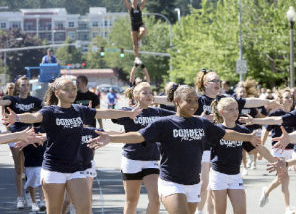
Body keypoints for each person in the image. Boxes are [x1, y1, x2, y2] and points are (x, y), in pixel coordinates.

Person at [88, 85, 261, 214]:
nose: (193, 105)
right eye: (189, 101)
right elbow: (138, 136)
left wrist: (248, 138)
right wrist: (111, 138)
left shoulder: (202, 123)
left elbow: (226, 134)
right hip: (171, 183)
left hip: (193, 183)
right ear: (177, 101)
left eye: (195, 101)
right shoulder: (164, 123)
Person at [2, 77, 141, 214]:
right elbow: (34, 117)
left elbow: (104, 113)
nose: (72, 92)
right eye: (66, 89)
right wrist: (18, 117)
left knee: (85, 209)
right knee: (55, 211)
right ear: (57, 93)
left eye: (73, 89)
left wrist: (129, 113)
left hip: (76, 168)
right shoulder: (50, 111)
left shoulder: (79, 110)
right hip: (54, 169)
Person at [239, 87, 296, 214]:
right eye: (286, 97)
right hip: (281, 148)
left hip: (294, 149)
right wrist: (253, 121)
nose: (289, 100)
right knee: (287, 179)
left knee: (288, 181)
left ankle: (267, 190)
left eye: (290, 97)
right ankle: (287, 208)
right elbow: (272, 124)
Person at [112, 82, 175, 214]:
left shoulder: (158, 112)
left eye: (151, 92)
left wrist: (201, 118)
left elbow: (179, 115)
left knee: (155, 199)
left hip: (151, 159)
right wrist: (126, 112)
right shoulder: (129, 112)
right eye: (144, 93)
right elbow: (112, 116)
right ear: (136, 96)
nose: (149, 95)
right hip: (132, 159)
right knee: (132, 200)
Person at [209, 97, 275, 214]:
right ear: (221, 112)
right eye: (231, 110)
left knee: (241, 211)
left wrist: (275, 161)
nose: (235, 112)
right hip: (218, 175)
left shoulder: (243, 130)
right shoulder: (216, 129)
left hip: (235, 175)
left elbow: (259, 148)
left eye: (236, 109)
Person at [0, 76, 43, 209]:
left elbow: (47, 107)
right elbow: (3, 103)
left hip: (30, 136)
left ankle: (32, 197)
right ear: (18, 87)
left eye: (27, 85)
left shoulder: (34, 100)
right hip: (15, 136)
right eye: (23, 85)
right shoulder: (13, 100)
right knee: (19, 169)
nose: (26, 87)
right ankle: (20, 198)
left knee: (31, 168)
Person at [112, 0, 156, 64]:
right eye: (133, 2)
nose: (135, 3)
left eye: (136, 1)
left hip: (140, 24)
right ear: (131, 2)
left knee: (143, 31)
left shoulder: (140, 7)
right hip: (133, 26)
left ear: (137, 2)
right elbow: (124, 0)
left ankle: (139, 39)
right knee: (134, 44)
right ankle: (137, 57)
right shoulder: (130, 8)